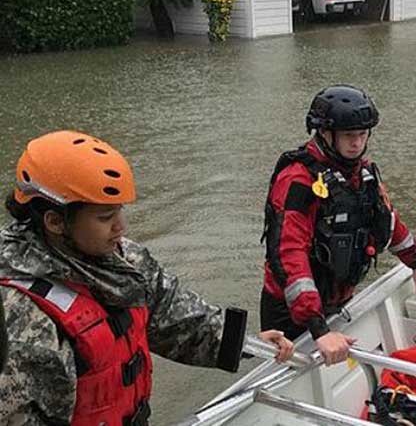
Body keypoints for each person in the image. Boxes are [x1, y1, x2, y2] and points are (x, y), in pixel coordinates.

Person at [0, 130, 295, 425]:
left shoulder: (124, 261)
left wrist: (246, 344)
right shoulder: (19, 315)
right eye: (105, 218)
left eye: (119, 212)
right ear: (55, 221)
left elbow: (178, 319)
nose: (121, 227)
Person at [260, 85, 416, 366]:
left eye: (362, 135)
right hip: (292, 312)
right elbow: (288, 253)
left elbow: (388, 221)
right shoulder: (298, 180)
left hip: (336, 298)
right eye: (349, 136)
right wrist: (317, 327)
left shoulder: (362, 174)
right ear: (326, 134)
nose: (356, 143)